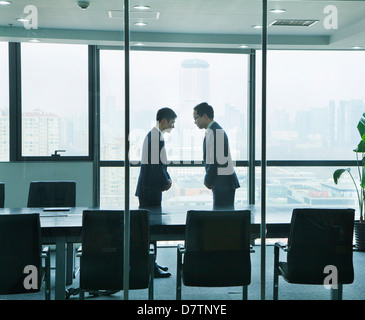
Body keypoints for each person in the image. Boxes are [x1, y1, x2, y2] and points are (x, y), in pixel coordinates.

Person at [135, 107, 177, 278]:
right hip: (150, 189)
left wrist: (165, 178)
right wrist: (165, 181)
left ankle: (152, 263)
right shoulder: (154, 138)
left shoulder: (153, 136)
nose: (173, 127)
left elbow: (159, 165)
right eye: (172, 123)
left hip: (149, 188)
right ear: (164, 121)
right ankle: (150, 267)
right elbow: (155, 166)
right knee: (150, 230)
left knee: (150, 229)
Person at [193, 102, 240, 209]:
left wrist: (208, 179)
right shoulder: (212, 130)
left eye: (196, 118)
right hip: (221, 183)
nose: (195, 122)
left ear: (204, 116)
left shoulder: (215, 132)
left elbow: (215, 160)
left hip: (223, 184)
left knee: (222, 219)